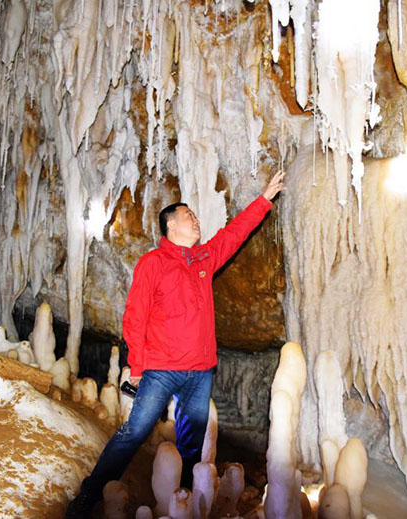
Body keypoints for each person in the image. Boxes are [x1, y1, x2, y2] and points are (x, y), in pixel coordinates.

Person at [66, 170, 286, 518]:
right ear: (171, 226)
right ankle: (88, 495)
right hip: (161, 369)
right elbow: (134, 317)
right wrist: (136, 367)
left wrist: (264, 199)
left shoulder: (203, 259)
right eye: (189, 217)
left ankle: (180, 505)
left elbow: (234, 234)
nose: (195, 221)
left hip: (199, 371)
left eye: (194, 216)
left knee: (192, 443)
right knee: (132, 433)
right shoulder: (153, 263)